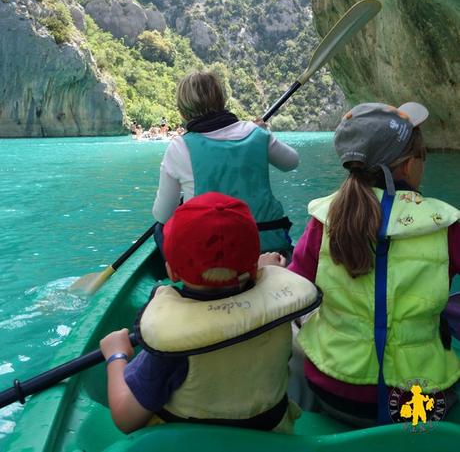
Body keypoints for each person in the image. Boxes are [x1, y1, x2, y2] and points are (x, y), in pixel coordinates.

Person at [286, 102, 460, 427]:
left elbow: (295, 293)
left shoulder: (325, 218)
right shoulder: (445, 224)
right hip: (418, 404)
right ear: (409, 166)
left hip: (335, 392)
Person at [100, 192, 319, 434]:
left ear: (171, 273)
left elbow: (125, 418)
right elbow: (252, 298)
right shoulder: (278, 312)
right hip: (269, 437)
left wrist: (116, 355)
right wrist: (264, 274)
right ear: (255, 267)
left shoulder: (172, 340)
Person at [152, 71, 299, 254]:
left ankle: (179, 274)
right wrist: (264, 133)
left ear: (182, 113)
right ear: (222, 101)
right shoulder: (256, 133)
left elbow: (164, 214)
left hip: (212, 253)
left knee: (159, 228)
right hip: (265, 243)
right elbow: (291, 162)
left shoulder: (179, 147)